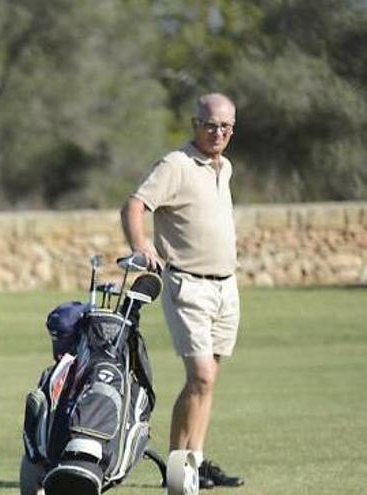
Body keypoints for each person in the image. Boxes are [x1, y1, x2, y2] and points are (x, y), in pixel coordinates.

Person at [120, 94, 244, 489]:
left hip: (226, 287)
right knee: (201, 377)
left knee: (209, 380)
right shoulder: (176, 164)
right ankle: (177, 471)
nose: (218, 132)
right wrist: (141, 246)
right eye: (211, 125)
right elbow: (135, 205)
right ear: (195, 124)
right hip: (187, 284)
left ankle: (197, 460)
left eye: (226, 126)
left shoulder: (224, 167)